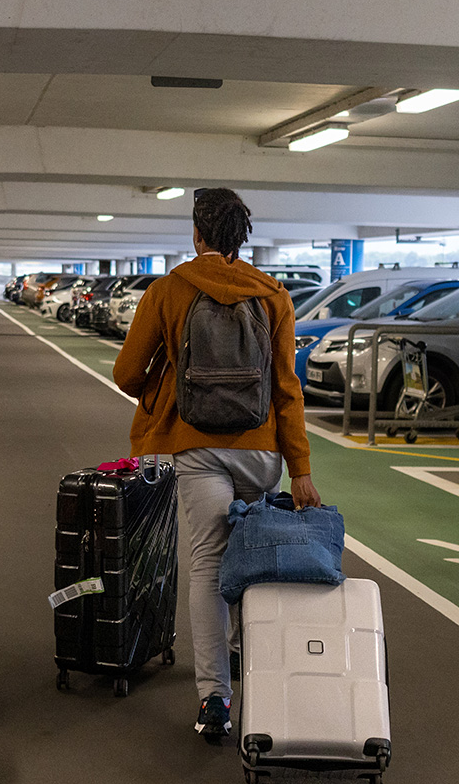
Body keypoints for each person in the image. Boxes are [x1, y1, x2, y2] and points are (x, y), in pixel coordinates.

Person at [111, 188, 319, 741]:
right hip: (261, 451)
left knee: (206, 563)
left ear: (197, 234)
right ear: (240, 237)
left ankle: (215, 700)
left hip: (196, 447)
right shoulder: (274, 295)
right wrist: (299, 469)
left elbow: (127, 374)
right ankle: (257, 669)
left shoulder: (169, 290)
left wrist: (167, 376)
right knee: (251, 559)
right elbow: (286, 387)